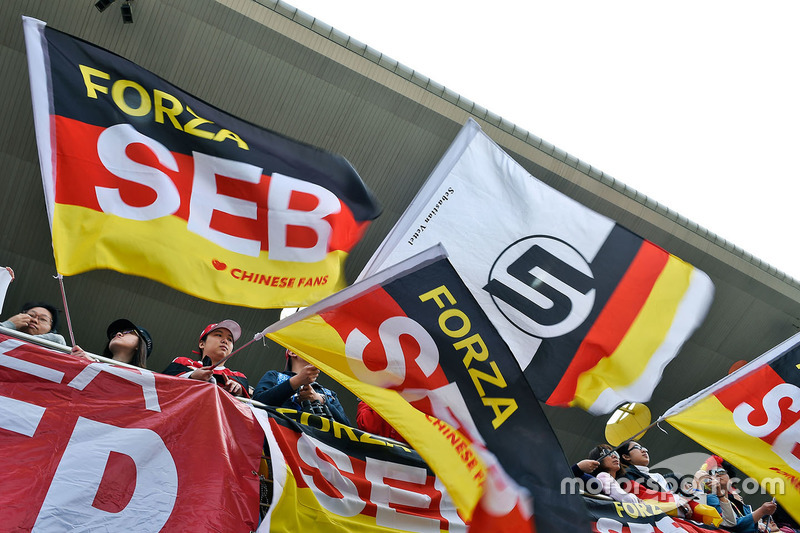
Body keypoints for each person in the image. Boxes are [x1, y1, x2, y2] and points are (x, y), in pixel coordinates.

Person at [253, 349, 350, 425]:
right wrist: (297, 381)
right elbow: (257, 403)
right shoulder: (275, 376)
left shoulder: (328, 394)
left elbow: (348, 428)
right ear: (292, 352)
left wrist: (320, 399)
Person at [162, 320, 249, 398]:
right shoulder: (183, 363)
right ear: (201, 344)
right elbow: (162, 384)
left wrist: (237, 391)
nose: (225, 341)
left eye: (230, 339)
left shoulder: (238, 377)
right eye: (219, 335)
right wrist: (191, 376)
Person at [695, 455, 780, 533]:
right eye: (712, 473)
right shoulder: (711, 498)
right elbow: (734, 526)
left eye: (720, 471)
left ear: (731, 480)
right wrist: (761, 511)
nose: (717, 474)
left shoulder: (738, 502)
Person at [619, 439, 694, 518]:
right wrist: (676, 500)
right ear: (626, 456)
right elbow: (643, 495)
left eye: (643, 447)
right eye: (637, 447)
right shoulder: (627, 474)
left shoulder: (657, 476)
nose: (644, 450)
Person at [70, 318, 153, 367]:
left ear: (139, 345)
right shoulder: (88, 362)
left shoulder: (139, 384)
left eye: (129, 332)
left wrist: (93, 366)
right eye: (114, 334)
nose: (118, 334)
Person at [1, 301, 66, 345]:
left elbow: (58, 340)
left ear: (51, 330)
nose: (34, 320)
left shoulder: (57, 343)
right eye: (31, 315)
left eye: (43, 319)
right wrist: (9, 324)